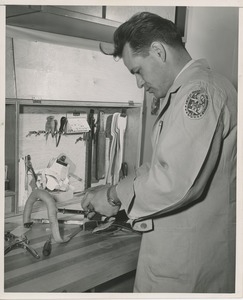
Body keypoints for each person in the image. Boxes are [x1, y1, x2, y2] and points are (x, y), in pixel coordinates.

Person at [82, 12, 237, 293]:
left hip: (188, 269)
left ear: (158, 51)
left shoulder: (199, 92)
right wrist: (114, 190)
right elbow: (165, 166)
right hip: (181, 260)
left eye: (138, 71)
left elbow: (175, 182)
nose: (139, 84)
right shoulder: (186, 91)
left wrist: (113, 195)